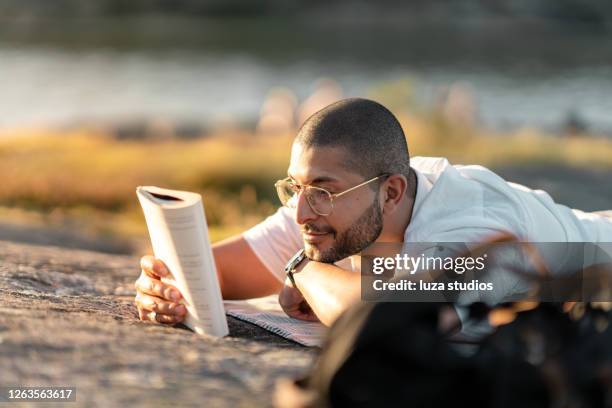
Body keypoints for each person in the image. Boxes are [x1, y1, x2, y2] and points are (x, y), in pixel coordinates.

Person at [134, 98, 612, 328]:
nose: (301, 209)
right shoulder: (329, 209)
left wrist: (303, 270)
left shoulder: (470, 229)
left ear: (391, 193)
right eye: (296, 187)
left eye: (322, 191)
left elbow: (380, 320)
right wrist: (163, 287)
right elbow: (208, 272)